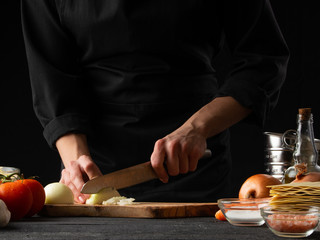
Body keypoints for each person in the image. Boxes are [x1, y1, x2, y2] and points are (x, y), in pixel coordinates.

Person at [21, 0, 289, 203]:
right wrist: (76, 162)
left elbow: (264, 61)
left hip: (191, 167)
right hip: (94, 172)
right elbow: (52, 79)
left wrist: (196, 129)